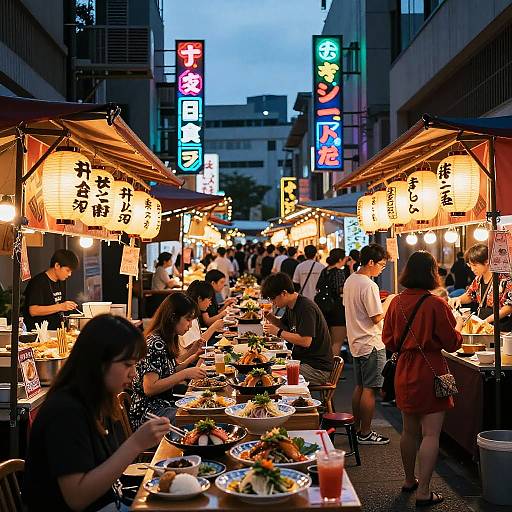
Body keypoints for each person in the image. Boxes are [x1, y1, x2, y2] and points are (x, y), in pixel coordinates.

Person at [22, 315, 171, 511]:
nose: (134, 373)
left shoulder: (101, 400)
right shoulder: (65, 411)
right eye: (127, 364)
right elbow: (77, 498)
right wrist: (136, 443)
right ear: (98, 361)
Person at [383, 251, 463, 507]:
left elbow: (388, 340)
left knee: (408, 431)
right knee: (430, 434)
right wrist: (459, 327)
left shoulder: (395, 302)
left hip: (404, 370)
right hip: (431, 369)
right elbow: (452, 343)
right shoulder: (436, 304)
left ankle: (409, 480)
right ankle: (424, 491)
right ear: (432, 272)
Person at [129, 293, 206, 430]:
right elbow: (149, 388)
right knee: (199, 422)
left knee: (203, 408)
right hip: (148, 414)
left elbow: (168, 371)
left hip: (162, 406)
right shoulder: (154, 343)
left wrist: (192, 354)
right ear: (173, 317)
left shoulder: (164, 338)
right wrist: (185, 374)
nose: (189, 325)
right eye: (188, 320)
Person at [343, 244, 394, 445]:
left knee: (360, 386)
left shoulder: (351, 280)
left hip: (356, 341)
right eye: (381, 265)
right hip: (371, 342)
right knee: (370, 389)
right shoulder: (368, 284)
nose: (382, 269)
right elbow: (376, 317)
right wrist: (389, 301)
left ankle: (357, 428)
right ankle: (365, 432)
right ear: (371, 262)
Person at [261, 272, 333, 385]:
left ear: (284, 293)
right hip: (303, 362)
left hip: (317, 369)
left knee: (273, 375)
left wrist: (278, 332)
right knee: (268, 369)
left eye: (273, 298)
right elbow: (284, 325)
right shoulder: (291, 305)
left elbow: (305, 341)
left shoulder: (305, 308)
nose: (272, 302)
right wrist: (270, 317)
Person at [450, 244, 512, 330]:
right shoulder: (478, 279)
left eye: (475, 265)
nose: (472, 269)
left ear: (486, 262)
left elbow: (508, 308)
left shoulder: (504, 279)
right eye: (470, 265)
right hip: (484, 325)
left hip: (501, 327)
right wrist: (458, 299)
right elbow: (470, 295)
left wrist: (485, 321)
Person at [23, 249, 79, 331]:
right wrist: (61, 306)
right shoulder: (38, 282)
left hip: (57, 332)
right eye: (67, 270)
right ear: (57, 265)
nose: (69, 274)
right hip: (40, 335)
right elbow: (33, 310)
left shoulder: (61, 281)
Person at [316, 248, 348, 357]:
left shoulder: (324, 271)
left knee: (328, 342)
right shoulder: (339, 272)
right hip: (337, 310)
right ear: (340, 259)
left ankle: (327, 369)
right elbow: (341, 289)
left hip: (324, 309)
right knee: (337, 343)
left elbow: (318, 287)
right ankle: (334, 372)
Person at [181, 280, 225, 354]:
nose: (210, 303)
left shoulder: (193, 313)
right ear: (200, 298)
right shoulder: (188, 316)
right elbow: (193, 347)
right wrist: (214, 327)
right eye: (209, 299)